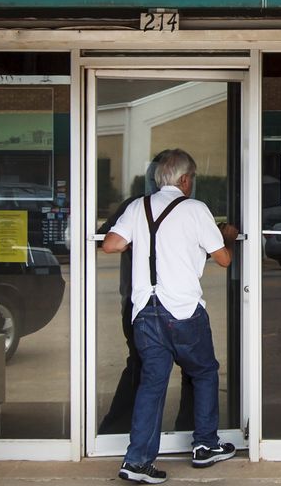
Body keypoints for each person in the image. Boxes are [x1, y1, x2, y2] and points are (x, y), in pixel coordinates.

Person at [101, 149, 238, 484]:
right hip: (183, 310)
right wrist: (227, 237)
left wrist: (142, 244)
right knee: (204, 372)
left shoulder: (138, 207)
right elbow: (223, 260)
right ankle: (205, 445)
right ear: (185, 179)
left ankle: (138, 461)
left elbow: (111, 245)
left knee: (152, 383)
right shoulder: (195, 209)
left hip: (145, 312)